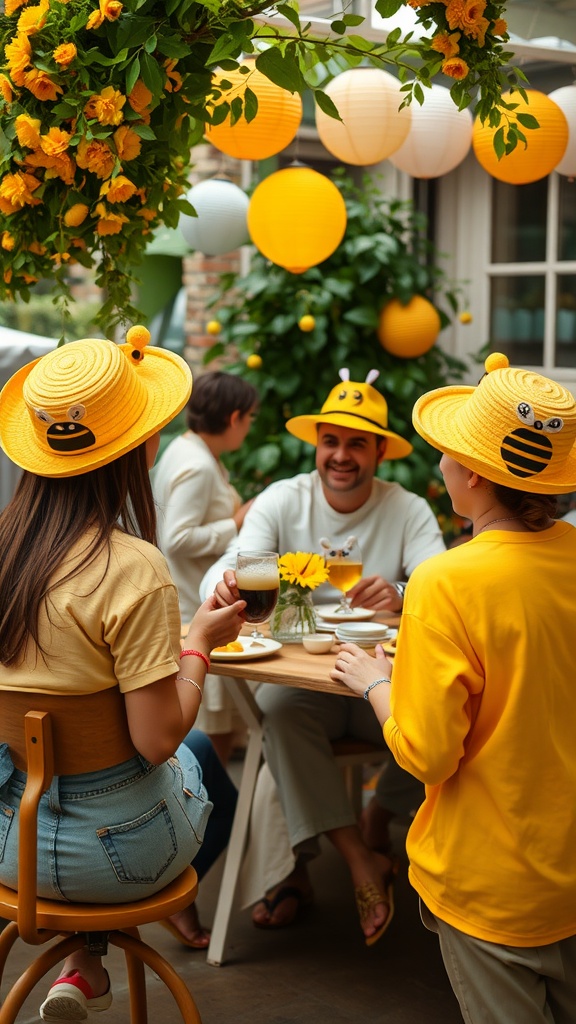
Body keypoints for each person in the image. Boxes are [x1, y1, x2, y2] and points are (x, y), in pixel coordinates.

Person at [0, 328, 246, 1021]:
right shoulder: (132, 566)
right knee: (199, 759)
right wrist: (198, 640)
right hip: (115, 858)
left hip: (8, 848)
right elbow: (157, 739)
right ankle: (98, 951)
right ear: (138, 447)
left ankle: (83, 963)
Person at [333, 352, 576, 1022]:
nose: (439, 463)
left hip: (490, 885)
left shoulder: (447, 582)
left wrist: (376, 682)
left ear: (469, 473)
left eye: (447, 451)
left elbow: (429, 754)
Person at [203, 368, 446, 943]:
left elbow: (439, 582)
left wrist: (404, 592)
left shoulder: (406, 508)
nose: (341, 456)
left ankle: (379, 815)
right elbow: (243, 559)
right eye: (330, 441)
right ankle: (359, 855)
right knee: (281, 715)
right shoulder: (285, 500)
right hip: (304, 686)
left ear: (380, 451)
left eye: (357, 443)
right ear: (316, 445)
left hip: (380, 681)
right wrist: (229, 582)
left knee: (442, 714)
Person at [153, 371, 258, 764]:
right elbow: (176, 539)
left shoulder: (186, 449)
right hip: (190, 610)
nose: (248, 427)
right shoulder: (196, 464)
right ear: (234, 418)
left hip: (192, 602)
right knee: (211, 732)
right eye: (249, 418)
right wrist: (235, 523)